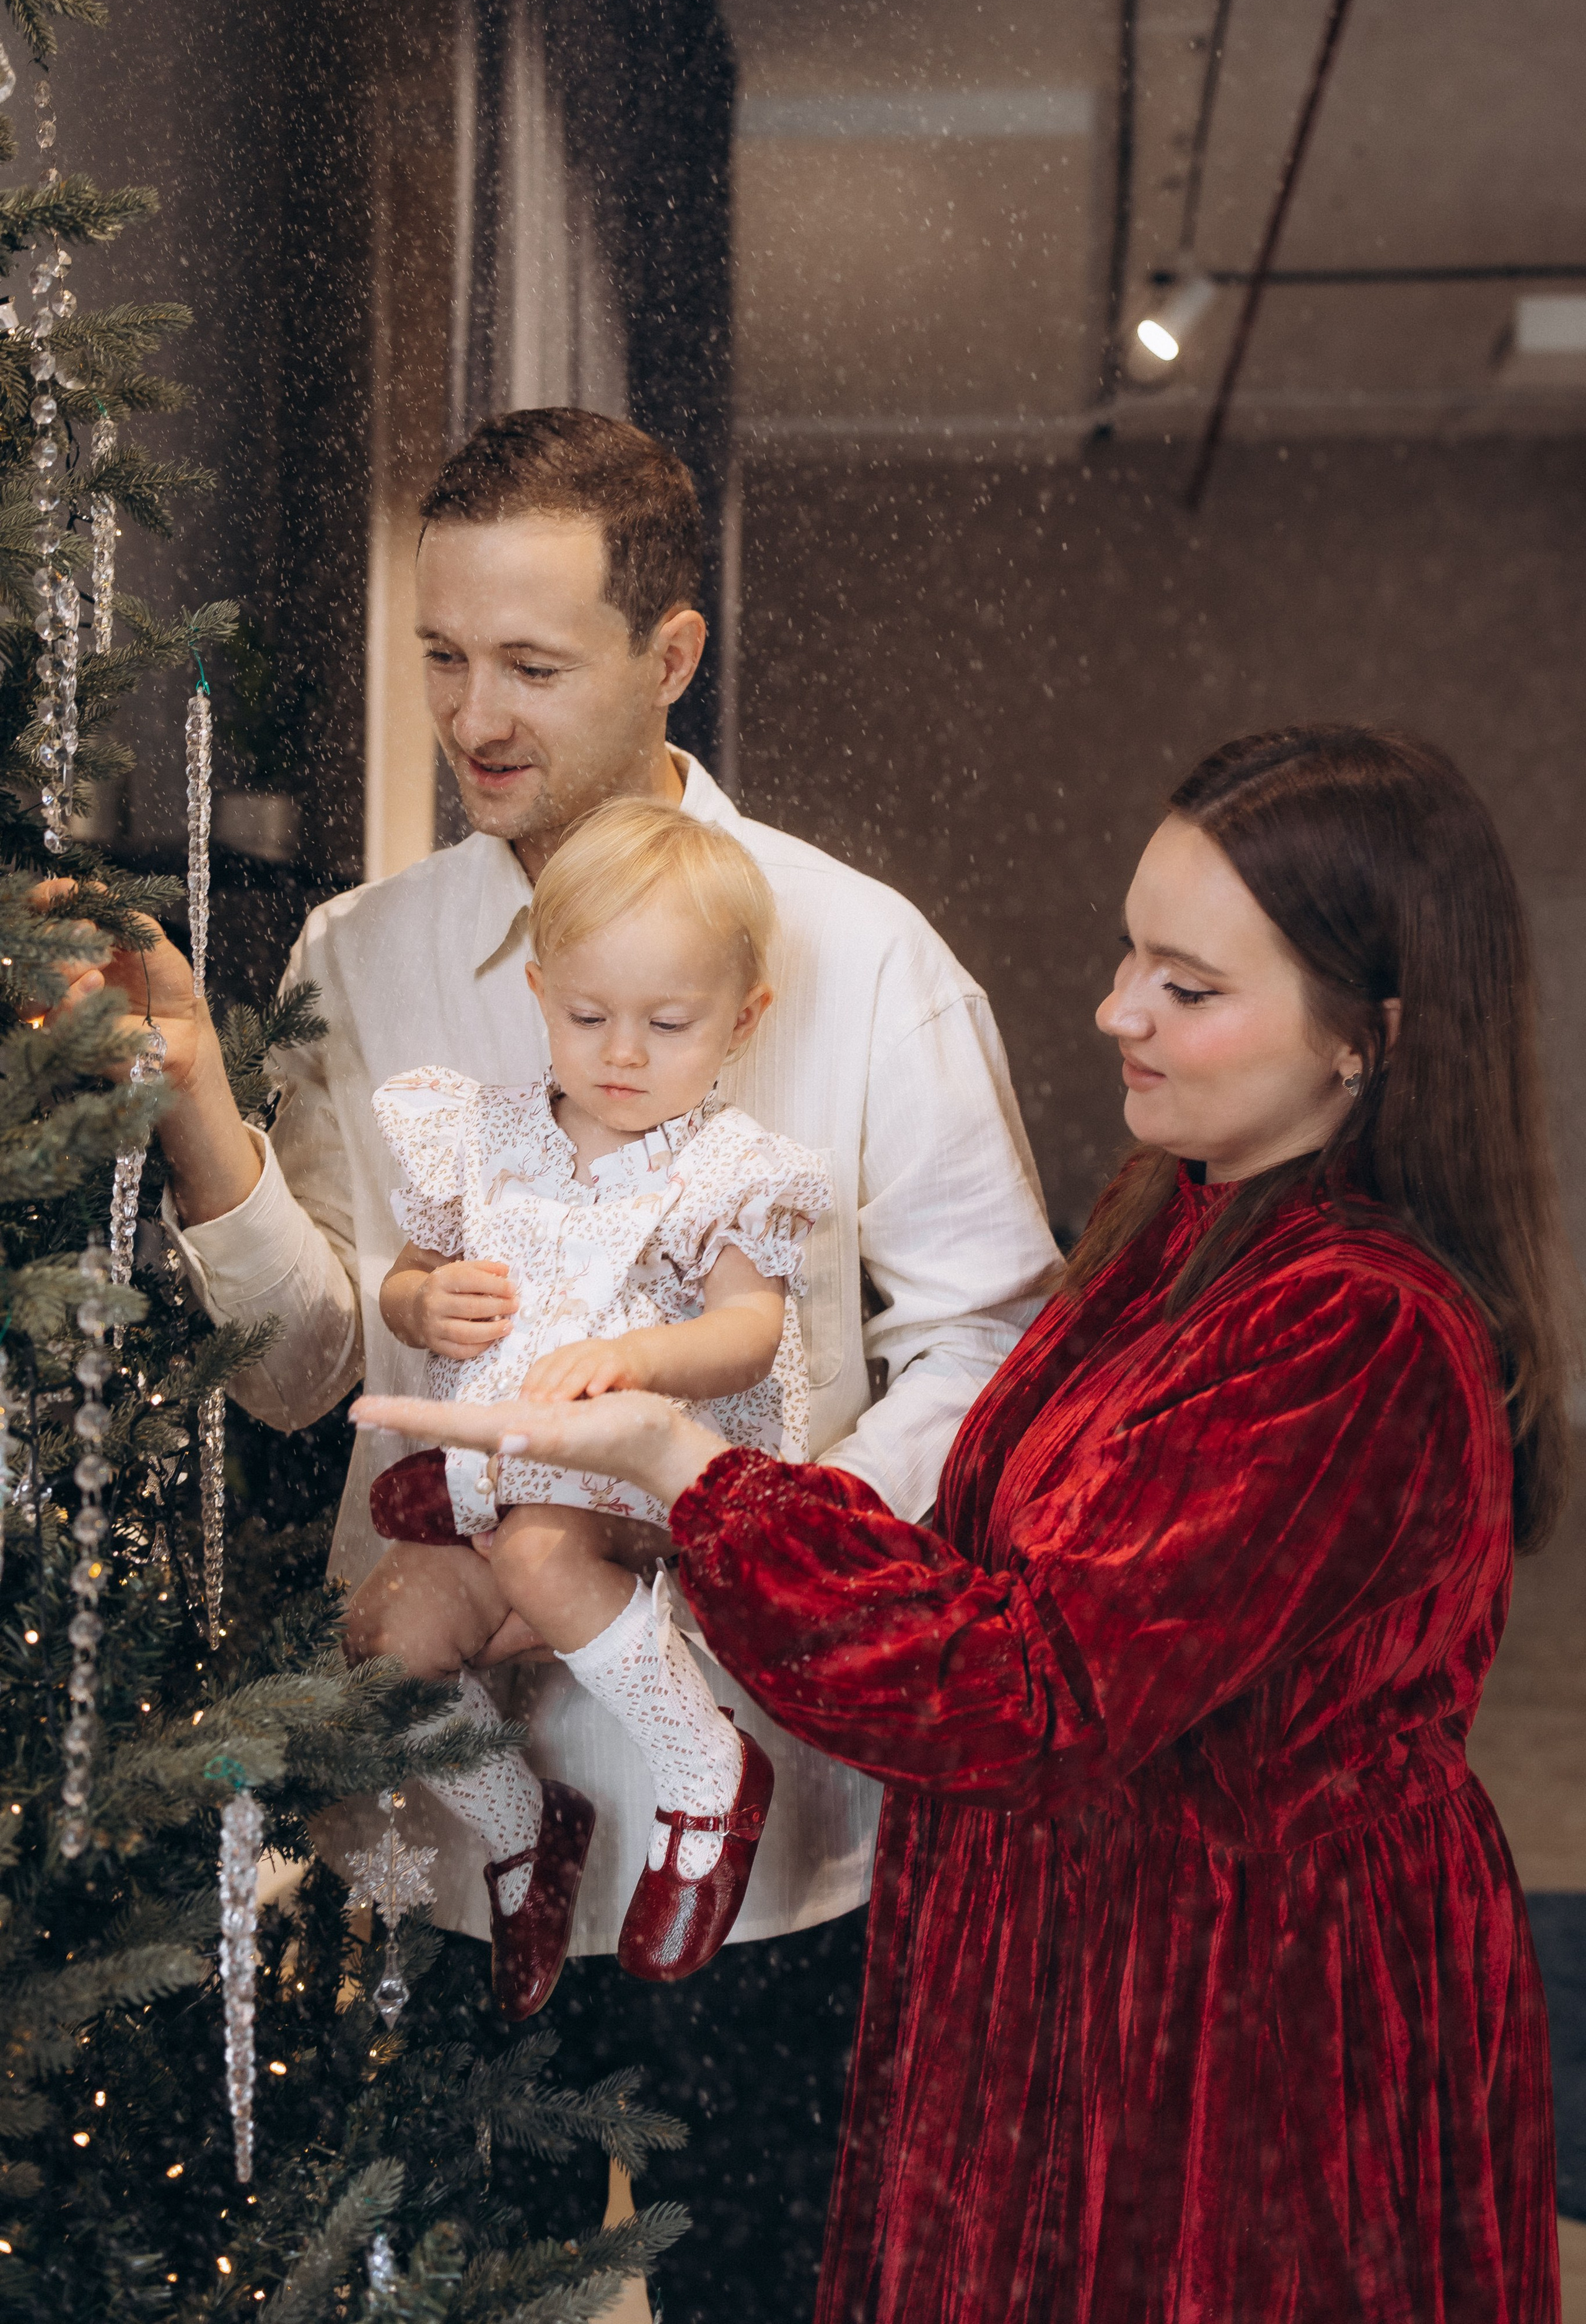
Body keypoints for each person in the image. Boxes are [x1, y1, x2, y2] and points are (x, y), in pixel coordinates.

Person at [356, 725, 1566, 2323]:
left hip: (1232, 2037)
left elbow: (1032, 1690)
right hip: (1062, 1982)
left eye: (1186, 988)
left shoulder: (1356, 1330)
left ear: (1368, 1039)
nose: (1113, 1010)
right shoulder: (1177, 1216)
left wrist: (689, 1472)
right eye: (1131, 953)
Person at [66, 408, 1059, 2313]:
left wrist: (742, 1528)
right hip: (441, 1825)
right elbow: (309, 1371)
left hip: (775, 1830)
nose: (475, 715)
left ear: (670, 654)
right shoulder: (364, 957)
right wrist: (198, 1104)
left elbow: (991, 1345)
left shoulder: (866, 958)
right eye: (443, 656)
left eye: (532, 663)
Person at [354, 799, 831, 2012]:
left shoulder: (720, 1167)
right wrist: (422, 1306)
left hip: (645, 1478)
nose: (622, 1053)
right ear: (538, 988)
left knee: (539, 1544)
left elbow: (748, 1330)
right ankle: (524, 1823)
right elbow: (409, 1277)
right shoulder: (488, 1136)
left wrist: (641, 1357)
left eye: (667, 1025)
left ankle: (704, 1769)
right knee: (387, 1627)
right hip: (499, 1472)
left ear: (742, 1017)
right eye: (585, 1016)